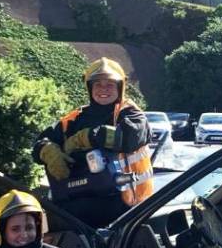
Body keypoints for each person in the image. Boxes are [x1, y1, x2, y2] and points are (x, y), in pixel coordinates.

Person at [36, 57, 152, 230]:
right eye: (98, 84)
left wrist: (89, 136)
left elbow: (128, 138)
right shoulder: (73, 120)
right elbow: (40, 142)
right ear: (89, 87)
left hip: (125, 208)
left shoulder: (130, 113)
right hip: (76, 205)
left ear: (120, 87)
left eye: (110, 84)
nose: (103, 89)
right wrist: (48, 150)